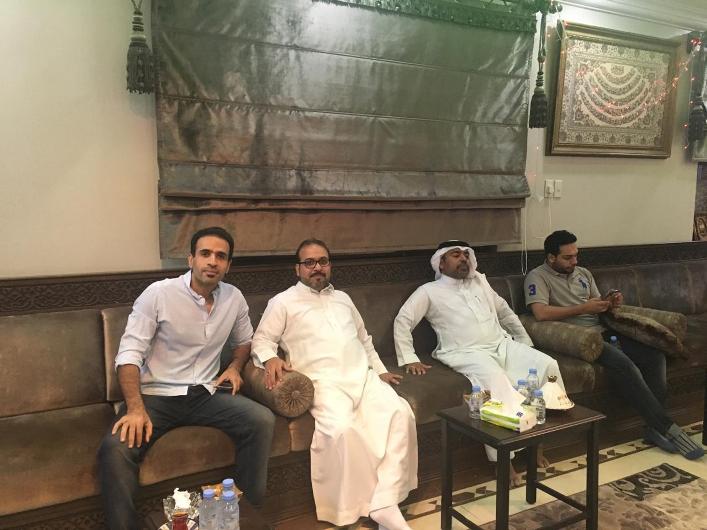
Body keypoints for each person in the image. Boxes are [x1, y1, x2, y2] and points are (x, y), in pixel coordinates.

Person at [97, 227, 276, 530]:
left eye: (221, 256)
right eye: (205, 253)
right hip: (155, 397)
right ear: (191, 259)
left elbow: (245, 340)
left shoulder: (233, 298)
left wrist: (235, 366)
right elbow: (128, 355)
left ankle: (245, 516)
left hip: (205, 393)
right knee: (115, 449)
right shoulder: (159, 294)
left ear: (228, 265)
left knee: (261, 420)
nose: (212, 261)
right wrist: (136, 409)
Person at [251, 239, 417, 530]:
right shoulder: (283, 302)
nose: (317, 267)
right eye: (309, 262)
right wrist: (270, 358)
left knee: (401, 413)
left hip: (363, 377)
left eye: (323, 261)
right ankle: (353, 506)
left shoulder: (343, 298)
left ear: (330, 265)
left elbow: (364, 339)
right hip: (322, 382)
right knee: (341, 430)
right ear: (297, 269)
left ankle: (385, 500)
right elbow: (262, 340)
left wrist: (380, 371)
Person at [394, 240, 565, 483]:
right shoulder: (429, 291)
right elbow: (403, 320)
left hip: (502, 344)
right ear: (441, 263)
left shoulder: (480, 283)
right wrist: (409, 358)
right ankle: (502, 461)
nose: (463, 258)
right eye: (456, 255)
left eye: (466, 254)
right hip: (465, 352)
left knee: (548, 366)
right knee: (497, 382)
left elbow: (504, 311)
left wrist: (524, 342)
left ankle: (538, 442)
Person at [525, 230, 703, 460]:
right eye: (568, 257)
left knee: (654, 355)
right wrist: (583, 308)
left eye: (576, 255)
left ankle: (654, 427)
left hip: (603, 329)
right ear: (551, 257)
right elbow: (540, 313)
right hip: (578, 339)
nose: (574, 261)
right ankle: (666, 427)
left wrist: (609, 302)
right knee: (625, 365)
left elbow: (596, 302)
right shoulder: (537, 277)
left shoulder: (583, 273)